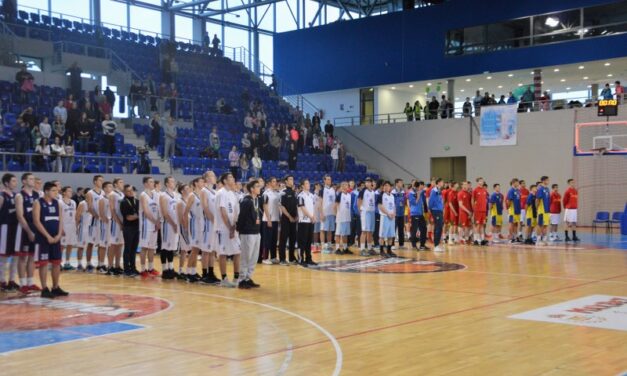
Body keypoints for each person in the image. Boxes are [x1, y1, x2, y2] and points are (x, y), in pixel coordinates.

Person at [32, 182, 68, 298]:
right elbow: (36, 221)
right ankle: (44, 288)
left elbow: (60, 220)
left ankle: (55, 287)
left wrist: (58, 235)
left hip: (55, 238)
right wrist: (47, 236)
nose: (56, 193)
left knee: (56, 263)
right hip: (43, 238)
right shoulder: (38, 202)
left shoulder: (58, 203)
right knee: (43, 264)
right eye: (54, 191)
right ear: (46, 191)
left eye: (57, 191)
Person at [215, 173, 241, 286]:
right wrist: (229, 227)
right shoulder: (221, 193)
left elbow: (235, 211)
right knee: (223, 253)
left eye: (233, 177)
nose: (233, 179)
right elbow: (223, 211)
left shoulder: (232, 193)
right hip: (223, 228)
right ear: (225, 181)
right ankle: (224, 279)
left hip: (232, 227)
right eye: (230, 177)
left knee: (237, 251)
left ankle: (236, 278)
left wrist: (234, 225)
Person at [236, 179, 262, 288]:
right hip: (247, 233)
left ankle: (248, 277)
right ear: (252, 189)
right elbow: (241, 217)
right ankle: (241, 279)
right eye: (257, 186)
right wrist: (240, 230)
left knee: (254, 257)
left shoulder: (257, 200)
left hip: (256, 231)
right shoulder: (246, 201)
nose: (259, 188)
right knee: (246, 256)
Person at [0, 173, 20, 291]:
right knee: (3, 256)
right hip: (5, 228)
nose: (15, 183)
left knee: (15, 255)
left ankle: (12, 280)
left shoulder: (16, 195)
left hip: (15, 228)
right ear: (6, 183)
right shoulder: (2, 196)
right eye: (13, 181)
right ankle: (2, 280)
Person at [139, 176, 161, 277]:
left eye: (153, 182)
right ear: (146, 184)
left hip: (154, 224)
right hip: (146, 224)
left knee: (152, 247)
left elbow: (158, 209)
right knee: (144, 247)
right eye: (151, 182)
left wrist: (158, 221)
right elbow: (146, 211)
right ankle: (143, 269)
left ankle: (151, 268)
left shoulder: (155, 194)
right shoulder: (143, 195)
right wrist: (155, 221)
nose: (153, 183)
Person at [184, 177, 204, 282]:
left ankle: (193, 271)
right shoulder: (192, 195)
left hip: (201, 224)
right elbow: (185, 211)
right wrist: (186, 227)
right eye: (201, 181)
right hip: (194, 224)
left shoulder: (202, 194)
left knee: (197, 250)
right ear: (196, 183)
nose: (203, 183)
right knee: (194, 249)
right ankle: (188, 272)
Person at [159, 177, 179, 280]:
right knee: (165, 247)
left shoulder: (176, 195)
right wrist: (173, 224)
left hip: (175, 224)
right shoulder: (163, 195)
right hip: (167, 224)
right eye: (171, 181)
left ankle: (171, 268)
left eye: (174, 181)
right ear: (166, 184)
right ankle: (164, 270)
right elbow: (165, 212)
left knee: (171, 247)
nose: (174, 183)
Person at [278, 175, 298, 265]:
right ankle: (282, 259)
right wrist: (289, 216)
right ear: (285, 181)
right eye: (290, 179)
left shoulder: (294, 192)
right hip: (286, 218)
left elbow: (296, 206)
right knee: (283, 239)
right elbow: (281, 206)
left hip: (294, 219)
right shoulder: (283, 192)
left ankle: (291, 258)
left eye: (292, 179)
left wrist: (297, 215)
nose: (292, 180)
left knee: (293, 239)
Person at [296, 179, 317, 266]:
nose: (308, 184)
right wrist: (311, 216)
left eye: (309, 183)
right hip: (303, 221)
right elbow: (303, 208)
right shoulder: (300, 196)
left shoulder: (312, 195)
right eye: (306, 183)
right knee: (302, 241)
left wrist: (314, 216)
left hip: (310, 221)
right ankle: (301, 259)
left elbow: (313, 207)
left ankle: (309, 258)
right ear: (302, 186)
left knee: (309, 241)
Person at [120, 184, 139, 276]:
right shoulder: (124, 202)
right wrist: (139, 216)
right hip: (128, 228)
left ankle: (133, 268)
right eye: (128, 191)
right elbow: (128, 218)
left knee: (134, 249)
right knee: (128, 248)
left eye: (132, 190)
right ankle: (126, 269)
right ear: (124, 192)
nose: (131, 192)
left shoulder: (137, 201)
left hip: (137, 228)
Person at [107, 178, 125, 275]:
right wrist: (119, 222)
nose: (123, 183)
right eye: (121, 182)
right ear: (115, 184)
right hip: (115, 222)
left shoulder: (122, 194)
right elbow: (113, 210)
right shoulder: (112, 194)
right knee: (113, 245)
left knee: (120, 245)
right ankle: (110, 266)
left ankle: (117, 265)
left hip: (122, 222)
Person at [261, 177, 281, 264]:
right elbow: (265, 206)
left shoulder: (276, 193)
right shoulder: (266, 193)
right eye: (273, 181)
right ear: (268, 183)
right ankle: (265, 258)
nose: (275, 182)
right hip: (268, 220)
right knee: (267, 240)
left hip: (275, 219)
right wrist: (268, 219)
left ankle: (273, 257)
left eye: (276, 181)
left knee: (274, 239)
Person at [377, 181, 398, 257]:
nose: (386, 187)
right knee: (382, 235)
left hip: (392, 217)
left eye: (388, 185)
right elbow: (380, 206)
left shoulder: (392, 196)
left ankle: (389, 250)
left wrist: (394, 213)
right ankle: (381, 251)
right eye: (384, 185)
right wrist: (388, 213)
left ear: (390, 187)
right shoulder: (381, 195)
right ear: (383, 187)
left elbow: (394, 206)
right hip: (385, 217)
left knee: (391, 235)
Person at [358, 178, 377, 256]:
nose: (368, 183)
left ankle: (369, 248)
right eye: (367, 182)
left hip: (372, 212)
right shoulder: (363, 191)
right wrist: (360, 211)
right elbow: (359, 201)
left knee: (370, 231)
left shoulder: (372, 191)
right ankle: (362, 249)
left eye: (369, 182)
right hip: (365, 212)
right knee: (364, 231)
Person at [333, 181, 352, 255]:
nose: (347, 186)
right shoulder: (339, 195)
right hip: (340, 218)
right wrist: (336, 215)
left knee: (345, 234)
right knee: (338, 234)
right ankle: (337, 249)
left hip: (347, 217)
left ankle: (345, 248)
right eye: (345, 185)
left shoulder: (349, 195)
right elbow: (334, 206)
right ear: (342, 186)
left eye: (347, 185)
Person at [319, 175, 336, 254]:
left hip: (331, 213)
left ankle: (329, 245)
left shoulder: (333, 189)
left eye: (330, 179)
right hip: (325, 213)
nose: (329, 180)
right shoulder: (322, 190)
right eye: (328, 179)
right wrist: (321, 213)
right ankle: (322, 246)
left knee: (330, 230)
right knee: (323, 229)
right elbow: (320, 202)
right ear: (324, 181)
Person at [428, 178, 445, 253]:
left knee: (440, 226)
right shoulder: (434, 190)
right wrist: (431, 209)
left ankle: (437, 244)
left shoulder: (439, 190)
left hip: (439, 210)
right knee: (438, 226)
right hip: (435, 210)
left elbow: (440, 200)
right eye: (442, 182)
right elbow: (431, 200)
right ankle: (436, 245)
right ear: (438, 183)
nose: (443, 183)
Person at [472, 177, 489, 246]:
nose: (482, 182)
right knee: (478, 225)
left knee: (482, 225)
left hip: (483, 210)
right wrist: (474, 209)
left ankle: (482, 240)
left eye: (482, 181)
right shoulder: (475, 190)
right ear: (478, 182)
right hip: (478, 210)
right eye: (480, 181)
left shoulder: (484, 190)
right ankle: (476, 240)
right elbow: (472, 200)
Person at [535, 176, 551, 246]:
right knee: (540, 225)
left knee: (545, 225)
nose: (548, 181)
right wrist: (537, 208)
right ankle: (538, 240)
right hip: (542, 210)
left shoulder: (547, 189)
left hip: (547, 210)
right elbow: (537, 200)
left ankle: (544, 240)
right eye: (547, 180)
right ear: (543, 181)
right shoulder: (540, 189)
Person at [506, 179, 522, 243]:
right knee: (511, 223)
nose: (518, 184)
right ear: (513, 183)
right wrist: (509, 209)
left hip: (517, 209)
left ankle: (515, 237)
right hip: (512, 210)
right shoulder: (511, 190)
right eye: (517, 182)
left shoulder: (518, 190)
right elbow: (509, 200)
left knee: (516, 224)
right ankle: (510, 238)